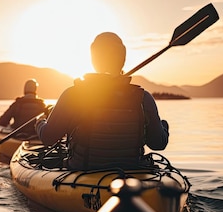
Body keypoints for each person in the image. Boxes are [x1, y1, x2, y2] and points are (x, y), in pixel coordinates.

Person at [35, 32, 169, 170]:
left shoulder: (74, 94)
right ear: (123, 59)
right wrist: (163, 125)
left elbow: (48, 138)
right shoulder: (143, 98)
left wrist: (40, 122)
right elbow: (159, 144)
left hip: (84, 170)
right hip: (132, 171)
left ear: (94, 60)